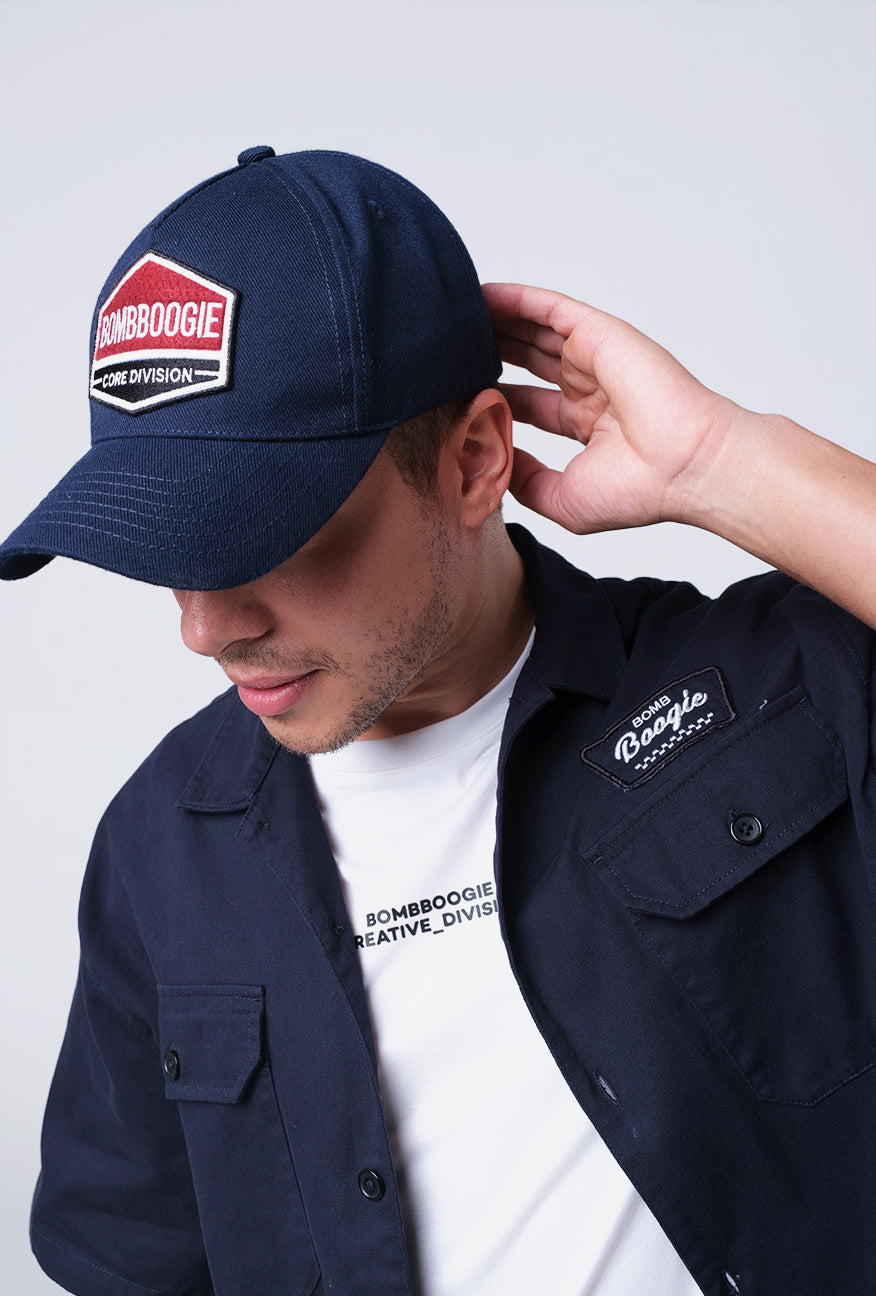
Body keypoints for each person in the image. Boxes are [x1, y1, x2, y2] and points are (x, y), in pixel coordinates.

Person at [2, 148, 875, 1296]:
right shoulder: (160, 845)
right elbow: (131, 1265)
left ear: (474, 461)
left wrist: (721, 460)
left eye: (261, 538)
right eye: (165, 550)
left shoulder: (769, 698)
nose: (205, 629)